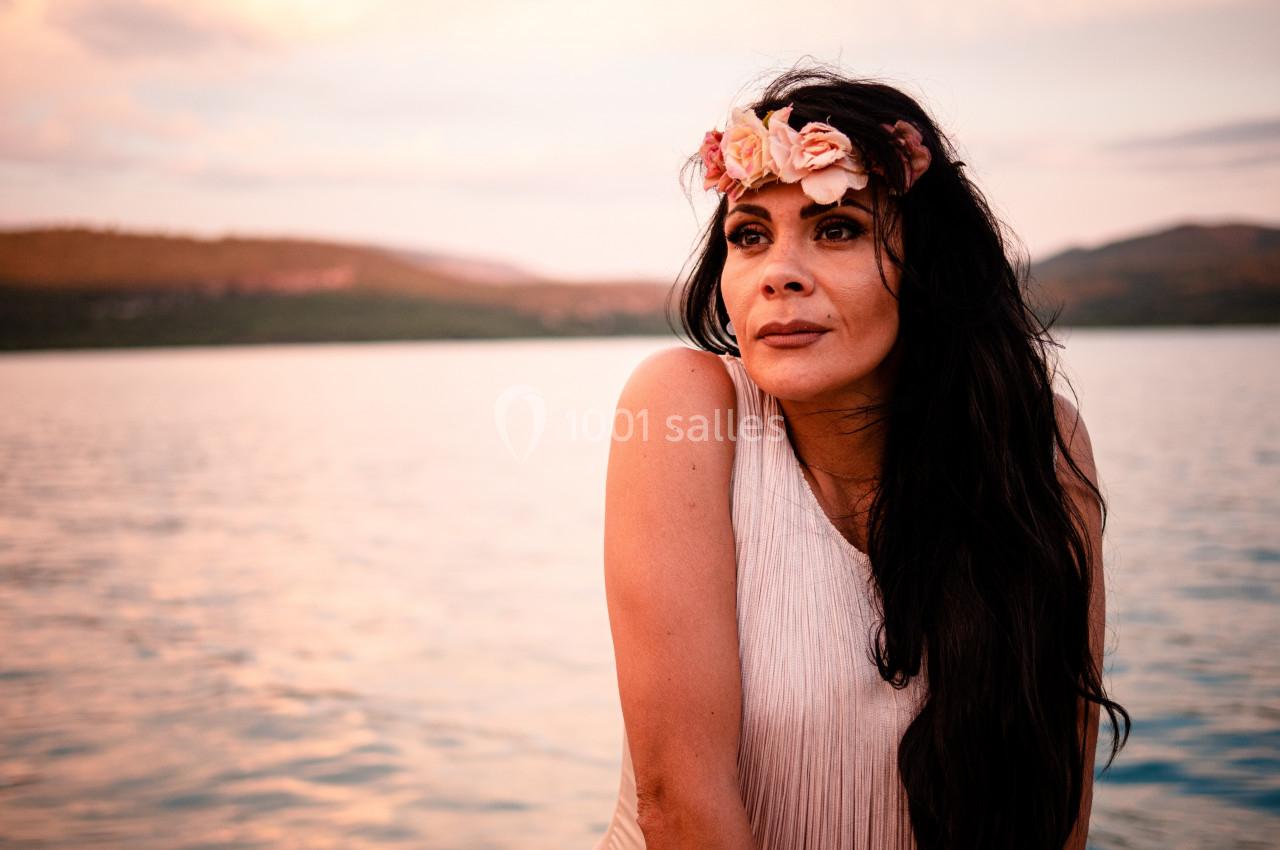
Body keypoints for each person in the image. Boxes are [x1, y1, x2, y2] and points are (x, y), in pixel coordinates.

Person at [593, 67, 1129, 850]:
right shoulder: (686, 408)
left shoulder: (1037, 442)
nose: (778, 273)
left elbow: (1058, 797)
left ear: (926, 265)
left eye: (837, 228)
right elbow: (679, 802)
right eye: (750, 236)